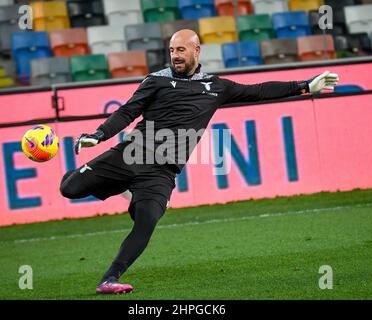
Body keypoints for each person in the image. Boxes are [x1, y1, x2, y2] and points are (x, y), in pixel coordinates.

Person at [59, 29, 339, 295]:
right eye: (171, 50)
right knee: (69, 189)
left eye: (181, 49)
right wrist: (99, 135)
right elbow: (127, 112)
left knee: (146, 221)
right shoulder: (156, 80)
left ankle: (110, 278)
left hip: (162, 173)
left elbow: (259, 90)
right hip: (131, 155)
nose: (175, 55)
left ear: (196, 50)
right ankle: (107, 182)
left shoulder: (216, 87)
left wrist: (305, 86)